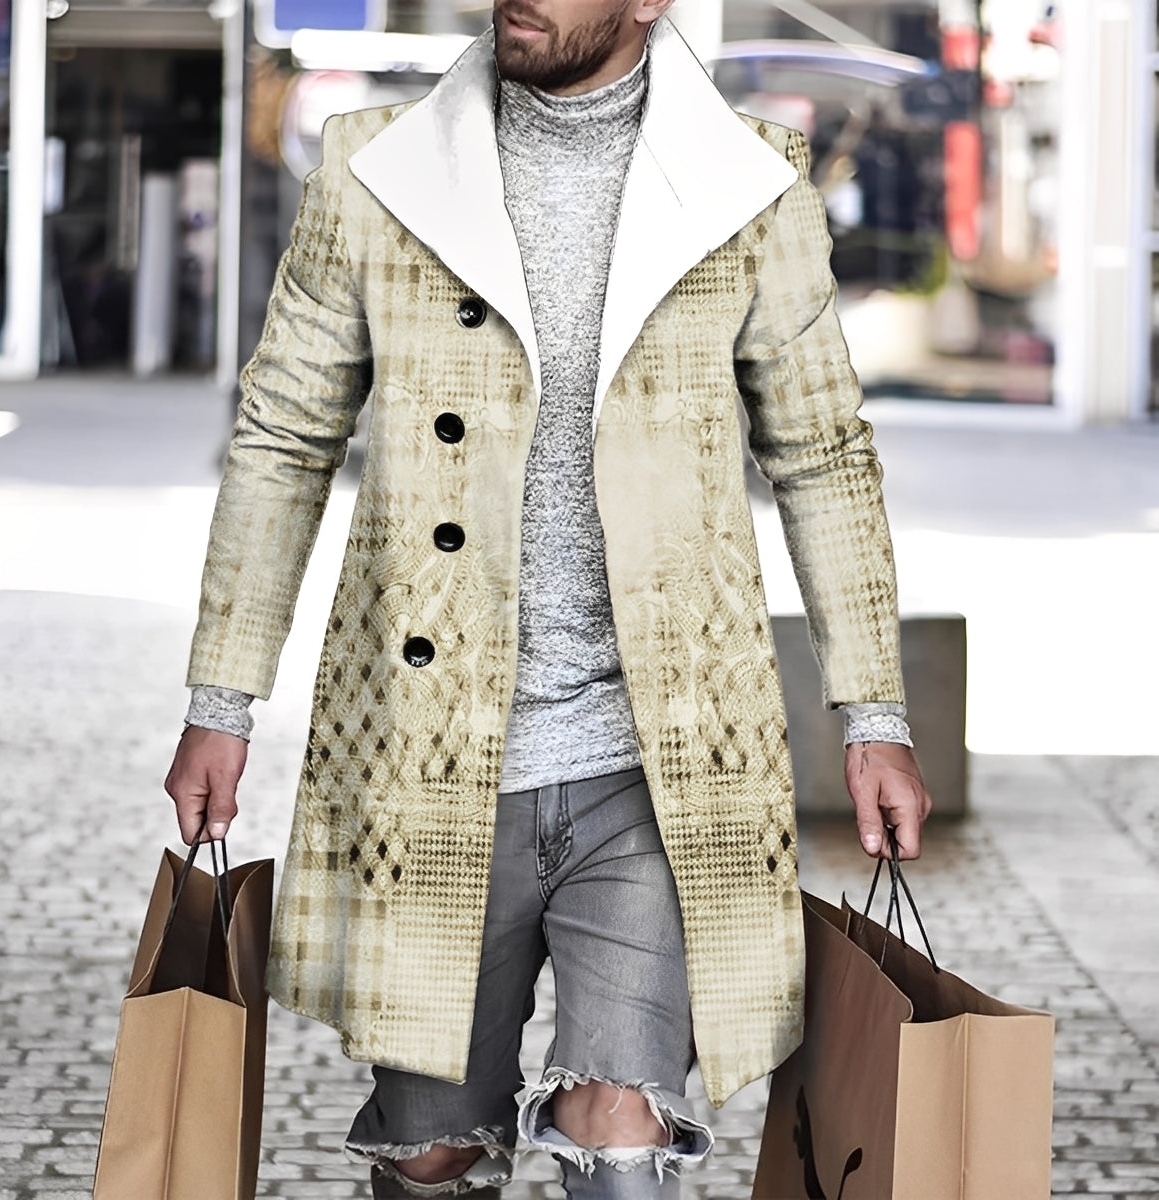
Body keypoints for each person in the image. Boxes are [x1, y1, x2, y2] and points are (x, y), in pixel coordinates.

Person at [164, 0, 932, 1195]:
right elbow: (282, 435)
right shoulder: (376, 169)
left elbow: (823, 450)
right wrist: (222, 701)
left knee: (621, 1135)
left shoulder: (749, 184)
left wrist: (874, 715)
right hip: (429, 755)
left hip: (656, 763)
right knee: (433, 1150)